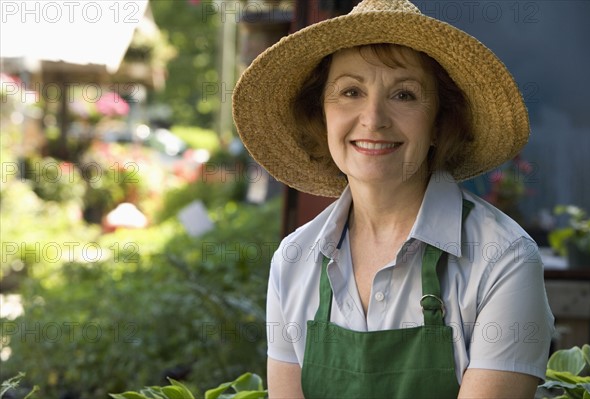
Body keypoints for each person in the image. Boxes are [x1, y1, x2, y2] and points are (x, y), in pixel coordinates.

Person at [232, 0, 555, 397]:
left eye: (403, 95)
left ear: (439, 121)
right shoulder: (293, 260)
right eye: (351, 91)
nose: (373, 118)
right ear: (322, 116)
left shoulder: (503, 259)